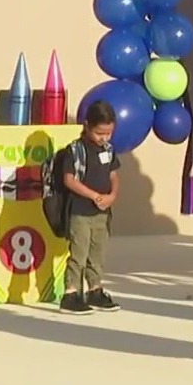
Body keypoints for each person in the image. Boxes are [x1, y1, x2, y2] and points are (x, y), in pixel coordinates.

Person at [58, 100, 122, 315]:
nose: (104, 138)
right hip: (81, 212)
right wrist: (94, 196)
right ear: (87, 126)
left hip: (101, 213)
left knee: (97, 252)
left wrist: (112, 195)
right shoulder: (75, 151)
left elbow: (113, 175)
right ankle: (71, 292)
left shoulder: (108, 150)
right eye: (99, 133)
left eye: (108, 134)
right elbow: (69, 180)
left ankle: (95, 289)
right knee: (79, 252)